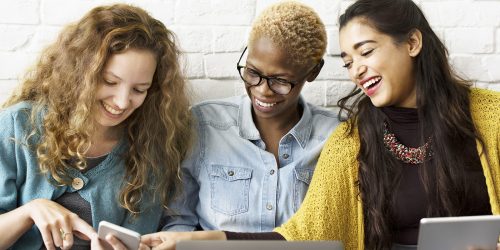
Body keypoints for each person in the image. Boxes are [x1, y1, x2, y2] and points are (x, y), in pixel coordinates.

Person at [140, 0, 499, 249]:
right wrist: (193, 242)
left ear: (412, 43)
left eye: (367, 51)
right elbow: (302, 234)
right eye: (348, 60)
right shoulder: (351, 141)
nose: (356, 68)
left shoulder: (490, 116)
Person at [0, 4, 192, 249]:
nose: (122, 102)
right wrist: (30, 211)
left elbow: (139, 239)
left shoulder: (152, 146)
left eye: (139, 90)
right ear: (80, 73)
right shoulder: (18, 126)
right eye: (110, 81)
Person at [159, 0, 339, 234]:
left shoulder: (334, 138)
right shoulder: (203, 125)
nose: (262, 90)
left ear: (313, 71)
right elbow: (179, 220)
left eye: (280, 81)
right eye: (253, 72)